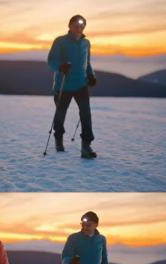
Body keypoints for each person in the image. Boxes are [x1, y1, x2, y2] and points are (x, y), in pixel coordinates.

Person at [47, 14, 98, 159]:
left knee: (86, 115)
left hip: (81, 84)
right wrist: (60, 66)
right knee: (60, 114)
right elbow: (51, 61)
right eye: (76, 25)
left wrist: (91, 75)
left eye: (82, 26)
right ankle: (58, 139)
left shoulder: (86, 43)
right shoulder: (60, 41)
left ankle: (86, 146)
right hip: (63, 85)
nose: (79, 28)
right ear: (69, 26)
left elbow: (87, 63)